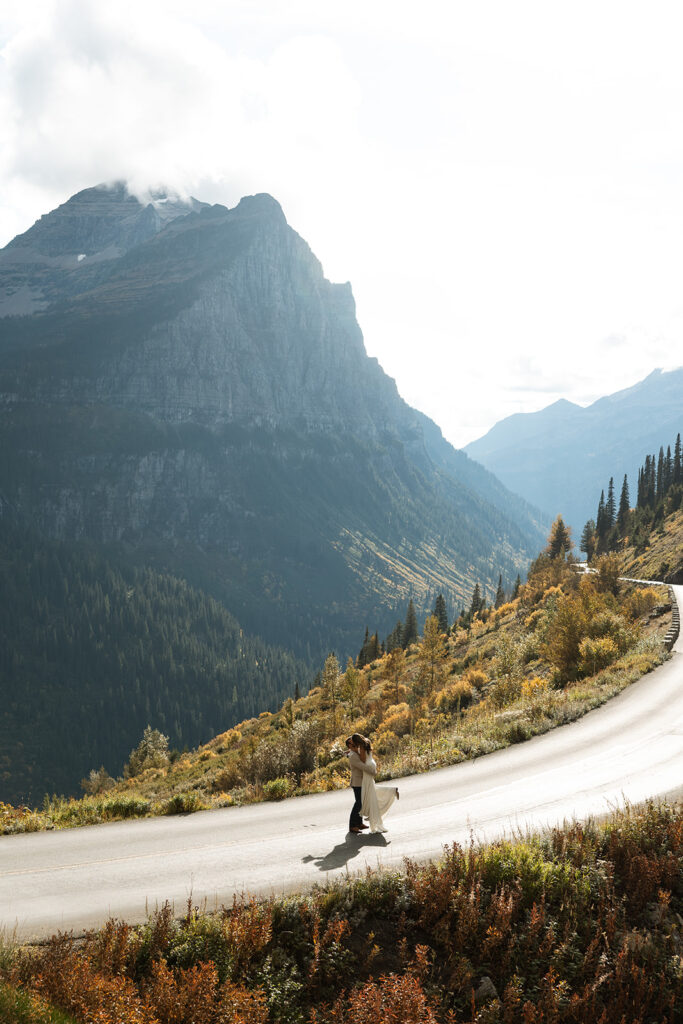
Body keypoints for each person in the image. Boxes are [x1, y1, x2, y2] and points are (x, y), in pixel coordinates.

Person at [355, 735, 399, 834]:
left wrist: (354, 752)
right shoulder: (367, 742)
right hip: (371, 763)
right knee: (372, 789)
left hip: (367, 766)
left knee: (370, 793)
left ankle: (374, 820)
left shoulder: (360, 747)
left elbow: (362, 760)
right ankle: (392, 790)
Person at [344, 734, 373, 834]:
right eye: (352, 744)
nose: (354, 745)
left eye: (354, 742)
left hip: (361, 781)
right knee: (358, 803)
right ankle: (352, 826)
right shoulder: (352, 755)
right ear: (349, 746)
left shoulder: (354, 753)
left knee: (361, 802)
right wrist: (372, 771)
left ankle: (359, 823)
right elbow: (362, 766)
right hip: (357, 782)